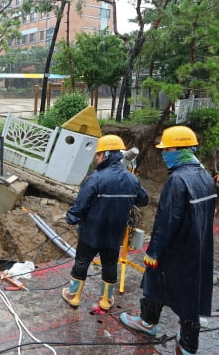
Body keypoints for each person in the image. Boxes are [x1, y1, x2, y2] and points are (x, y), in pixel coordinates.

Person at [120, 126, 216, 355]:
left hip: (175, 247)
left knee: (155, 278)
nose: (164, 153)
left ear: (180, 149)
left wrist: (153, 252)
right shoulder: (204, 175)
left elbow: (166, 220)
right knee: (191, 290)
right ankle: (188, 342)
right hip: (199, 246)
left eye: (168, 149)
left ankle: (148, 323)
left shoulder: (178, 180)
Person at [62, 134, 149, 312]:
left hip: (91, 231)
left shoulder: (95, 178)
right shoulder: (131, 179)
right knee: (110, 264)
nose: (95, 158)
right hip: (115, 232)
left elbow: (81, 204)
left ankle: (73, 296)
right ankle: (106, 300)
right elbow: (143, 200)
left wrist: (71, 218)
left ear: (106, 155)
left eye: (98, 154)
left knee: (82, 261)